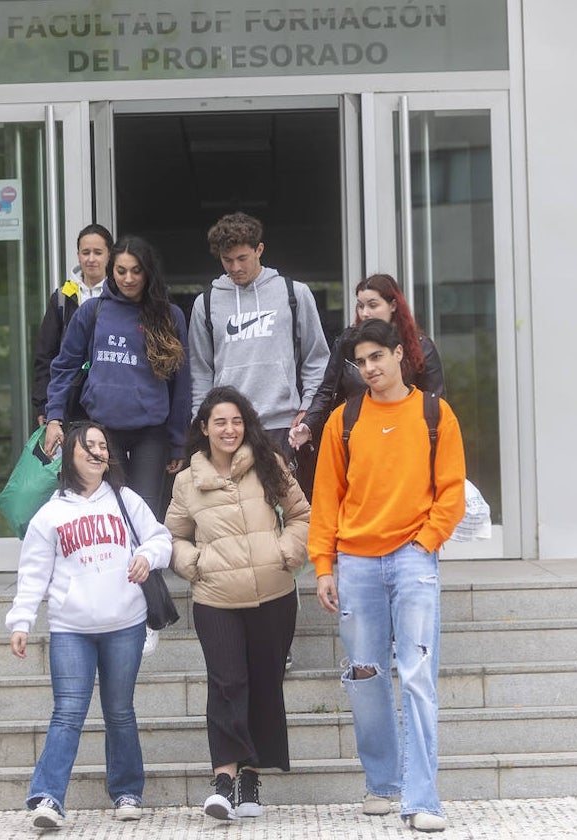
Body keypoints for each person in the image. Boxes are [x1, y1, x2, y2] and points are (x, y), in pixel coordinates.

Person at [308, 318, 465, 833]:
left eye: (378, 357)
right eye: (362, 361)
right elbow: (326, 497)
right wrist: (323, 564)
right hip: (355, 562)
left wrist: (425, 543)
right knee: (365, 676)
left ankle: (423, 798)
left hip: (413, 557)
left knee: (418, 676)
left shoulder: (434, 412)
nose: (370, 368)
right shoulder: (343, 419)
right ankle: (383, 783)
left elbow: (452, 491)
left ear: (400, 354)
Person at [6, 422, 172, 829]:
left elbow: (162, 539)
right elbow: (33, 573)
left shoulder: (125, 499)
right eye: (88, 446)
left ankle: (128, 791)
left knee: (120, 712)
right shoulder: (52, 513)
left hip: (125, 623)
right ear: (71, 456)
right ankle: (47, 797)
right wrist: (21, 620)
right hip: (70, 629)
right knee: (67, 713)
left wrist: (146, 557)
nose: (98, 452)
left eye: (102, 446)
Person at [164, 386, 310, 822]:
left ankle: (250, 779)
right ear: (204, 428)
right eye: (220, 422)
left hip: (273, 596)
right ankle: (223, 780)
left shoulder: (270, 464)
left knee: (264, 685)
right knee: (227, 683)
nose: (229, 430)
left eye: (237, 421)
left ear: (246, 425)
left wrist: (286, 553)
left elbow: (301, 514)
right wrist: (194, 563)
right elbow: (173, 535)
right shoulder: (187, 481)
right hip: (216, 599)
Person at [42, 235, 190, 517]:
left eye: (136, 271)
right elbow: (64, 366)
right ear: (111, 270)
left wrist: (178, 441)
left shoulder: (169, 316)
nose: (129, 278)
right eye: (121, 271)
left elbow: (181, 384)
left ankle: (148, 564)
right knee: (108, 510)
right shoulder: (92, 311)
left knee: (145, 513)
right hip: (103, 431)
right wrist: (54, 418)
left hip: (152, 433)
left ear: (148, 272)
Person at [189, 212, 329, 462]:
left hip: (281, 424)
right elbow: (200, 372)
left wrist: (308, 408)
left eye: (242, 258)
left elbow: (317, 358)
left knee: (283, 501)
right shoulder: (206, 303)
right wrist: (201, 423)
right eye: (227, 260)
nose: (235, 268)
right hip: (228, 428)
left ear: (259, 249)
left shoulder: (294, 293)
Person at [290, 273, 445, 452]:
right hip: (359, 436)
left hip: (408, 437)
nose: (365, 313)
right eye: (360, 306)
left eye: (373, 305)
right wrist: (309, 424)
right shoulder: (347, 342)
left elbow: (435, 402)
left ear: (393, 305)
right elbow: (326, 392)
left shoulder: (421, 346)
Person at [31, 224, 114, 426]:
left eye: (98, 252)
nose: (91, 259)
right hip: (70, 399)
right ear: (78, 255)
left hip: (111, 397)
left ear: (109, 255)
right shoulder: (62, 297)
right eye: (85, 252)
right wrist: (44, 403)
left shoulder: (121, 296)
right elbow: (46, 355)